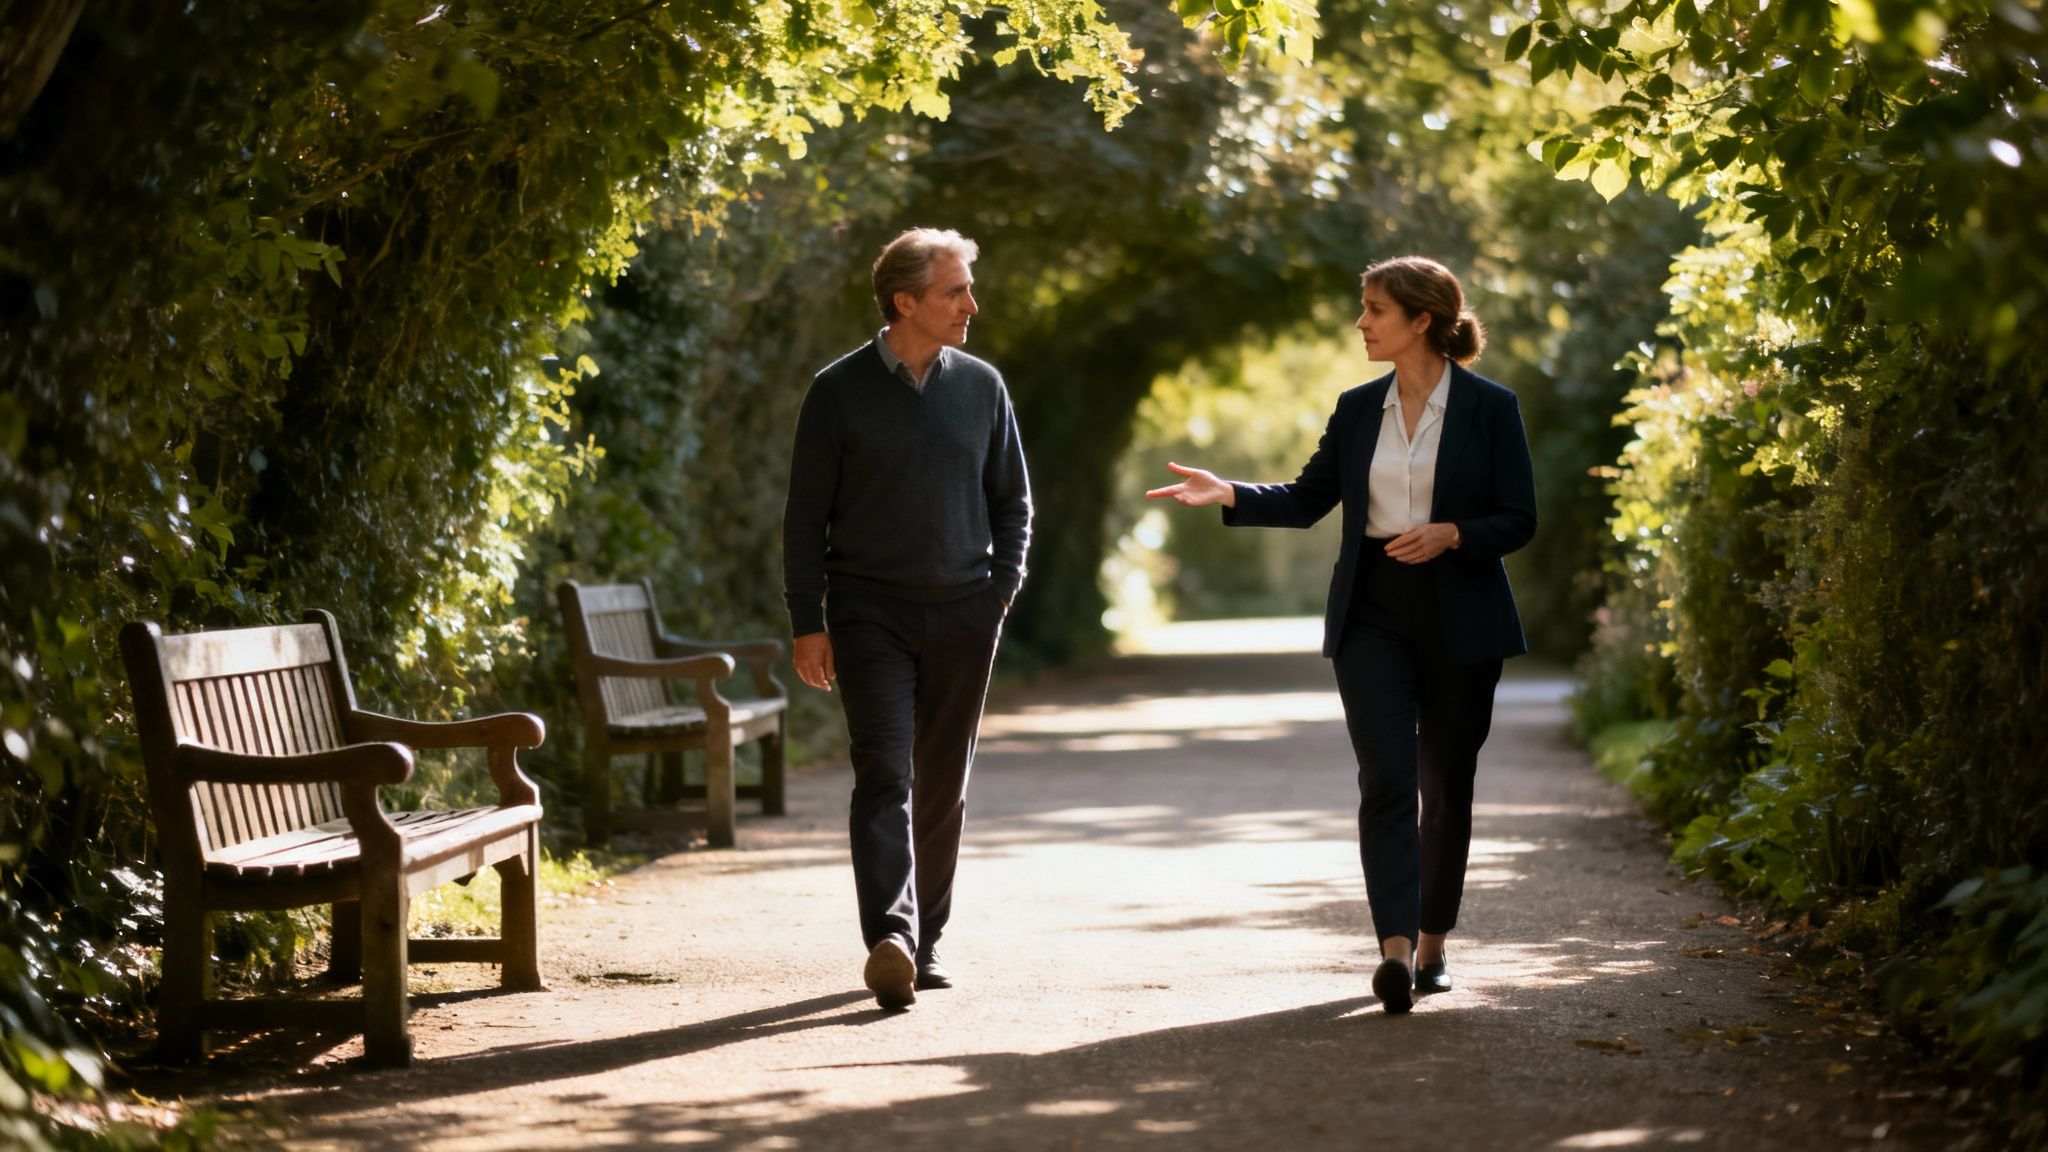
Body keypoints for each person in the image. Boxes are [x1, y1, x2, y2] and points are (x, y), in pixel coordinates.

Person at [1146, 256, 1535, 1015]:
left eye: (1375, 309)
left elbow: (1519, 517)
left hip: (1463, 613)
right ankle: (1392, 949)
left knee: (1446, 787)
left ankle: (1432, 944)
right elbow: (1305, 498)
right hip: (1372, 613)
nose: (1361, 322)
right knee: (1385, 779)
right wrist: (1230, 492)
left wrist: (1454, 533)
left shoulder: (1491, 408)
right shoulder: (1359, 410)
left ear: (1422, 320)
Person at [782, 228, 1032, 1011]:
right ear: (906, 301)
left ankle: (926, 942)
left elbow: (1012, 502)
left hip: (965, 610)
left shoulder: (983, 386)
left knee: (943, 780)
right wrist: (807, 619)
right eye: (956, 291)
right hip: (868, 613)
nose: (971, 305)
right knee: (885, 771)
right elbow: (803, 519)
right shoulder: (837, 391)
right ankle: (889, 935)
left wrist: (1000, 591)